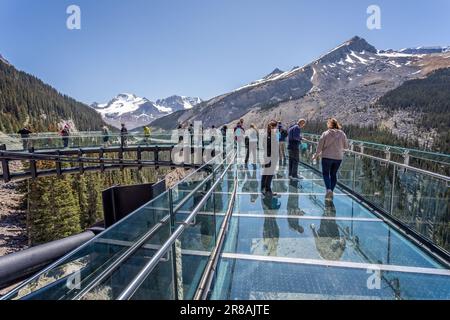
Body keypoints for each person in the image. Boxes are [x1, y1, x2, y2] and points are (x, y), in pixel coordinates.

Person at [312, 118, 349, 201]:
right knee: (333, 174)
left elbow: (320, 146)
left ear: (329, 124)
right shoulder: (342, 134)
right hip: (338, 157)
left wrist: (316, 155)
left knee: (325, 174)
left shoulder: (325, 133)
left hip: (327, 157)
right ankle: (331, 191)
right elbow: (346, 146)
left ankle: (328, 189)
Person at [261, 120, 279, 196]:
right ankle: (268, 190)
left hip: (266, 155)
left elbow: (263, 145)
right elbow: (274, 147)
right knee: (270, 173)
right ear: (274, 127)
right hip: (272, 156)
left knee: (265, 172)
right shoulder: (273, 135)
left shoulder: (265, 134)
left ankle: (263, 188)